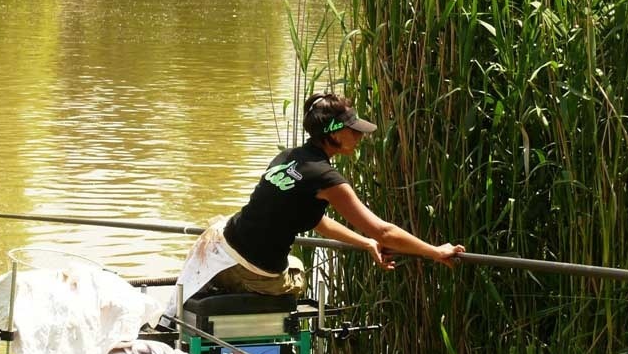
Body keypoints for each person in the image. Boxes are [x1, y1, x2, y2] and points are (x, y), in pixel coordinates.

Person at [175, 92, 465, 299]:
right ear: (334, 134)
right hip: (254, 272)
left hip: (222, 251)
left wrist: (366, 244)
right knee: (298, 272)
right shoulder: (327, 178)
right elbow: (385, 231)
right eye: (354, 131)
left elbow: (318, 222)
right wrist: (436, 252)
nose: (360, 136)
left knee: (288, 259)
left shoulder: (287, 157)